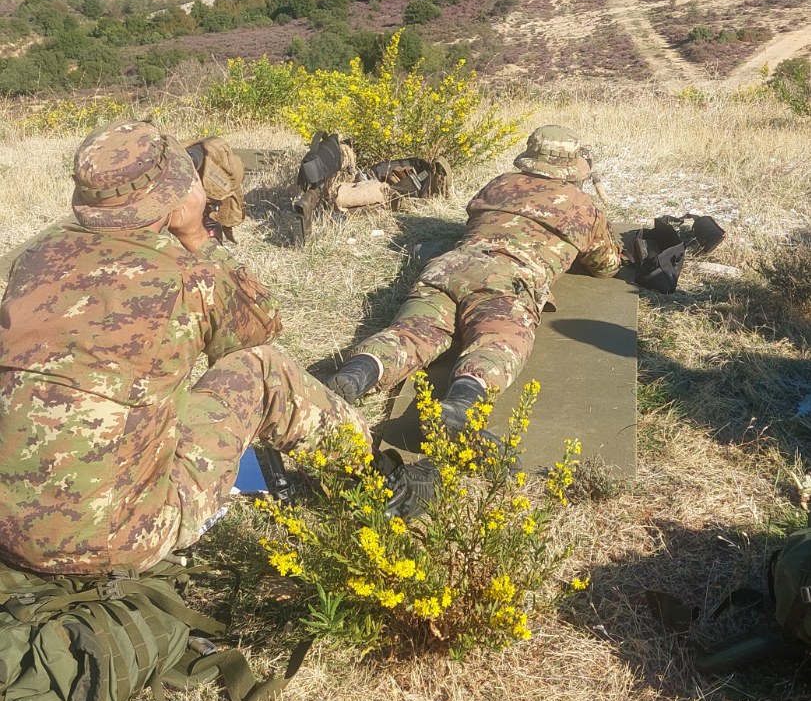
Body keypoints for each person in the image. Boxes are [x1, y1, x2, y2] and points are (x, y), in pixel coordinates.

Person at [0, 122, 367, 576]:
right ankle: (367, 471)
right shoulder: (190, 277)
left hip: (7, 533)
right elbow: (259, 331)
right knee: (261, 369)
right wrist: (196, 236)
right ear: (174, 195)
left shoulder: (30, 263)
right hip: (122, 541)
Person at [330, 125, 623, 429]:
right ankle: (461, 403)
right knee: (498, 343)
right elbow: (606, 266)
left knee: (410, 333)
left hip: (447, 268)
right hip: (505, 280)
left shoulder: (498, 184)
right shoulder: (584, 207)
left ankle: (357, 373)